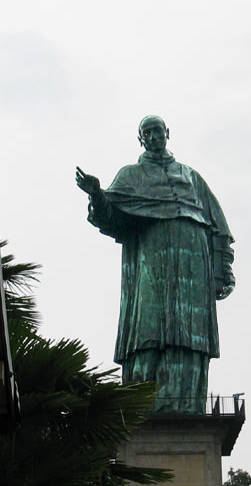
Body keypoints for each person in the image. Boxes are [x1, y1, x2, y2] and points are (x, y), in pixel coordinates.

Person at [76, 115, 234, 413]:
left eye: (157, 130)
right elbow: (111, 217)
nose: (152, 136)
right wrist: (97, 194)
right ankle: (143, 401)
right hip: (150, 260)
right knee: (147, 330)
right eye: (146, 132)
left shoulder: (191, 177)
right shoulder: (131, 176)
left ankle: (185, 402)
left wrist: (222, 270)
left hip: (193, 264)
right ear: (141, 139)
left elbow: (219, 228)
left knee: (187, 333)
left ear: (167, 134)